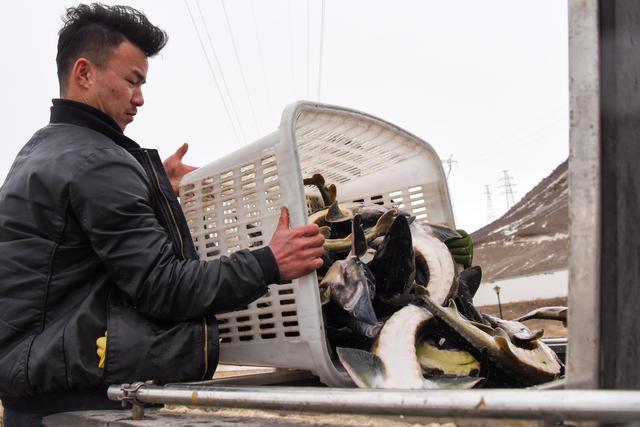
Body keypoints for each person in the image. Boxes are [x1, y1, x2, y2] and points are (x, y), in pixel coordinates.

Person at [0, 4, 324, 425]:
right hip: (77, 403)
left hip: (33, 396)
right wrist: (269, 262)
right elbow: (164, 286)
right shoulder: (97, 163)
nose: (140, 98)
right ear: (84, 73)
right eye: (132, 81)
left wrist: (150, 184)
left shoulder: (41, 152)